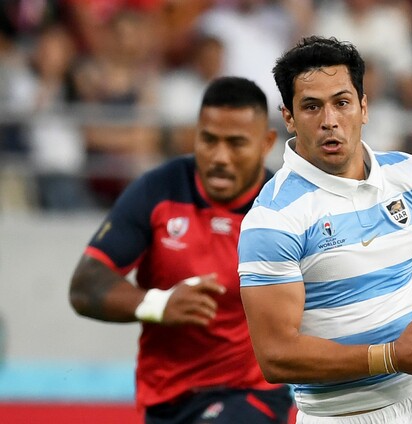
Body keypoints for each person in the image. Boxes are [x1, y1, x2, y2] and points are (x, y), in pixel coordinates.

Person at [237, 36, 412, 423]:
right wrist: (391, 357)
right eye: (311, 106)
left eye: (341, 102)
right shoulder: (273, 219)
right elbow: (276, 356)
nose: (329, 120)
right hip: (341, 415)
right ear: (288, 117)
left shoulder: (408, 175)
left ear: (364, 107)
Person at [69, 76, 293, 424]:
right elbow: (85, 286)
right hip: (166, 399)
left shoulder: (284, 208)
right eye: (209, 140)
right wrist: (158, 304)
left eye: (236, 143)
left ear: (266, 143)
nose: (220, 157)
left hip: (251, 394)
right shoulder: (158, 190)